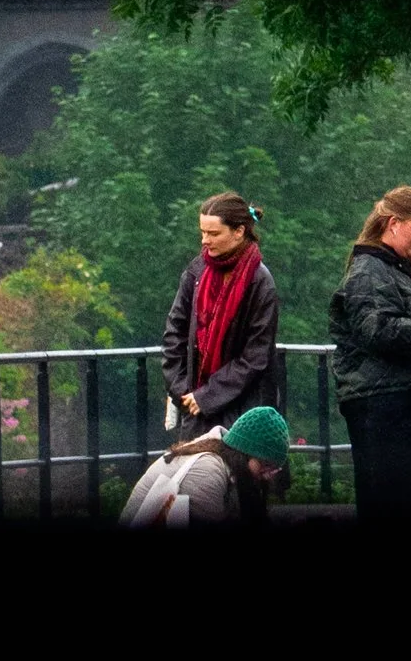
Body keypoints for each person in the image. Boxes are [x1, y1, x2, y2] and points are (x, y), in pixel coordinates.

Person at [327, 185, 411, 525]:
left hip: (401, 402)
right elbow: (377, 331)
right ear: (394, 222)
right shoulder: (369, 271)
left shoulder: (393, 269)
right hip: (384, 406)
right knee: (390, 508)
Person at [160, 191, 283, 452]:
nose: (205, 241)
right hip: (195, 407)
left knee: (237, 486)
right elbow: (174, 336)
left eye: (214, 234)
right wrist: (185, 392)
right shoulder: (196, 272)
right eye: (203, 232)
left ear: (239, 231)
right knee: (196, 485)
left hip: (243, 411)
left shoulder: (260, 282)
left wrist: (207, 396)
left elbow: (255, 356)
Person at [119, 406, 292, 527]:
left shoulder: (224, 463)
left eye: (275, 468)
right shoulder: (207, 472)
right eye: (264, 465)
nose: (268, 475)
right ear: (243, 452)